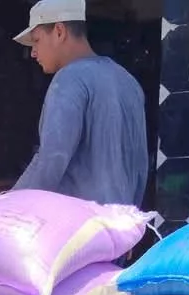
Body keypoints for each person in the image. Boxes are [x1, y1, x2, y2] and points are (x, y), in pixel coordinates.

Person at [12, 0, 148, 206]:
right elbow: (140, 167)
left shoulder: (69, 79)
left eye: (37, 40)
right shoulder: (128, 81)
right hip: (123, 219)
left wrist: (8, 204)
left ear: (59, 31)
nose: (33, 52)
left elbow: (51, 160)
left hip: (79, 221)